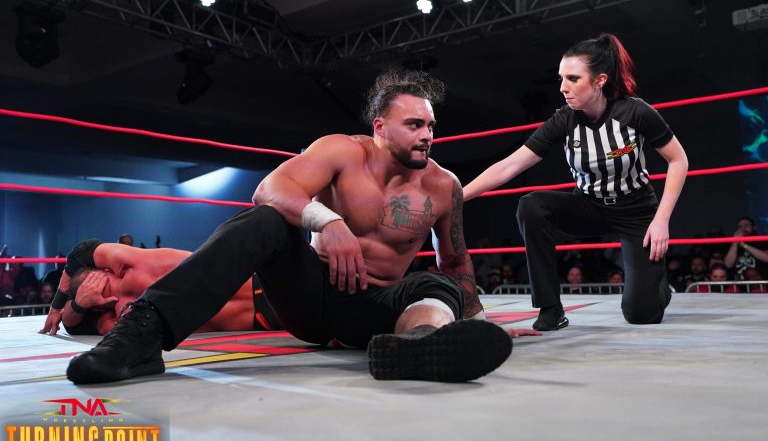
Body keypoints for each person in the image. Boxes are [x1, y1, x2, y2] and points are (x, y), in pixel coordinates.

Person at [65, 69, 539, 386]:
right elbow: (270, 188)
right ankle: (142, 337)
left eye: (431, 126)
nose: (427, 136)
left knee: (436, 285)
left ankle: (421, 346)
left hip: (372, 312)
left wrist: (476, 321)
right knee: (265, 221)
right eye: (414, 125)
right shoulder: (341, 151)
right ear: (379, 128)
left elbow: (455, 260)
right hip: (308, 295)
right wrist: (327, 220)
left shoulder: (442, 185)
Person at [463, 33, 688, 330]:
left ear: (600, 80)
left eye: (573, 78)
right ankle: (550, 308)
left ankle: (655, 285)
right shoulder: (564, 120)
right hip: (589, 206)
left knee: (641, 314)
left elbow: (678, 160)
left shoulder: (635, 112)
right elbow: (510, 165)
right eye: (561, 78)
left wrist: (661, 220)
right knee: (531, 205)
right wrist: (456, 197)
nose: (563, 87)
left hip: (636, 211)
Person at [38, 242, 282, 336]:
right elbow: (79, 254)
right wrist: (70, 304)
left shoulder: (119, 316)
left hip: (262, 297)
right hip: (265, 297)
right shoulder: (124, 265)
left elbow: (79, 254)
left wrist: (64, 306)